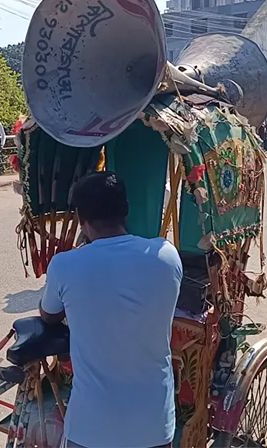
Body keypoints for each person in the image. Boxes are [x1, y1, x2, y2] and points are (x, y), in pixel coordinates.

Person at [40, 172, 182, 448]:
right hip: (154, 426)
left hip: (91, 431)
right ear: (125, 210)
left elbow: (49, 314)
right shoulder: (166, 255)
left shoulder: (65, 265)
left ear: (82, 220)